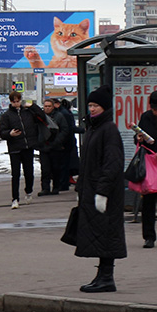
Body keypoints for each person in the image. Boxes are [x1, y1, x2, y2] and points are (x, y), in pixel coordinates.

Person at [74, 86, 126, 292]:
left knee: (107, 234)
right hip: (93, 191)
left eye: (95, 105)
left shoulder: (109, 130)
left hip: (105, 194)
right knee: (100, 235)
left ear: (105, 107)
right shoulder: (95, 128)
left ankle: (107, 278)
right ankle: (102, 276)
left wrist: (102, 192)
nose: (92, 109)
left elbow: (112, 164)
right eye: (90, 105)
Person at [0, 92, 40, 209]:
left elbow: (40, 115)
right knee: (15, 174)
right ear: (10, 102)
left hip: (27, 147)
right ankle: (15, 198)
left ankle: (29, 191)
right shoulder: (6, 116)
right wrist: (10, 133)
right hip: (15, 148)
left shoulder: (28, 112)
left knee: (29, 172)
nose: (16, 103)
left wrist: (31, 105)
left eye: (18, 101)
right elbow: (2, 132)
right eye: (14, 101)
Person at [134, 91, 157, 248]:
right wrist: (139, 137)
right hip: (150, 162)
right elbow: (138, 138)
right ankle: (149, 236)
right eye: (154, 109)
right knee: (148, 201)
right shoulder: (146, 116)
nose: (155, 112)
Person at [38, 97, 71, 196]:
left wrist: (57, 141)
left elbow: (65, 130)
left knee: (56, 168)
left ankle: (56, 187)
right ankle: (45, 188)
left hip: (56, 147)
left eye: (49, 106)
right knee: (45, 169)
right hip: (44, 146)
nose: (47, 108)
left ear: (53, 107)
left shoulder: (59, 116)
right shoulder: (40, 117)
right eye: (45, 106)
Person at [58, 98, 79, 192]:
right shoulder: (66, 114)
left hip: (66, 141)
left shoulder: (61, 113)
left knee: (65, 162)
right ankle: (65, 181)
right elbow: (70, 128)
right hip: (68, 141)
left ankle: (65, 181)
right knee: (68, 162)